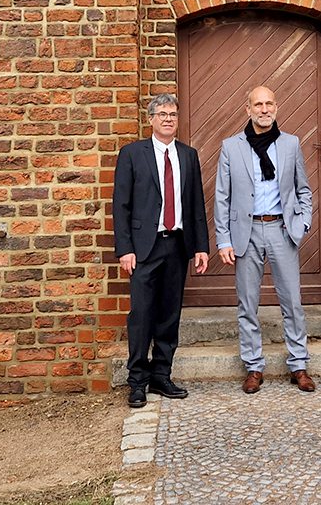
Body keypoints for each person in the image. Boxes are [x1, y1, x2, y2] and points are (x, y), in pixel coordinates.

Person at [215, 86, 316, 394]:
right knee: (247, 304)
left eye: (268, 103)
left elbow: (303, 189)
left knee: (292, 302)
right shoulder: (231, 147)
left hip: (281, 230)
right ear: (248, 110)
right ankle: (253, 367)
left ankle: (299, 364)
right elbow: (222, 197)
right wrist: (223, 240)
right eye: (257, 104)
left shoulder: (290, 144)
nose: (263, 109)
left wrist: (303, 221)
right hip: (245, 233)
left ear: (276, 107)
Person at [113, 93, 209, 408]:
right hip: (143, 248)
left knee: (169, 315)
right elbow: (121, 205)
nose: (168, 118)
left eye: (172, 114)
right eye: (162, 113)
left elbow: (195, 204)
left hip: (177, 245)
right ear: (151, 118)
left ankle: (161, 376)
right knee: (141, 315)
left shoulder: (188, 155)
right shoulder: (132, 154)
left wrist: (201, 248)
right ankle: (137, 381)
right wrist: (125, 249)